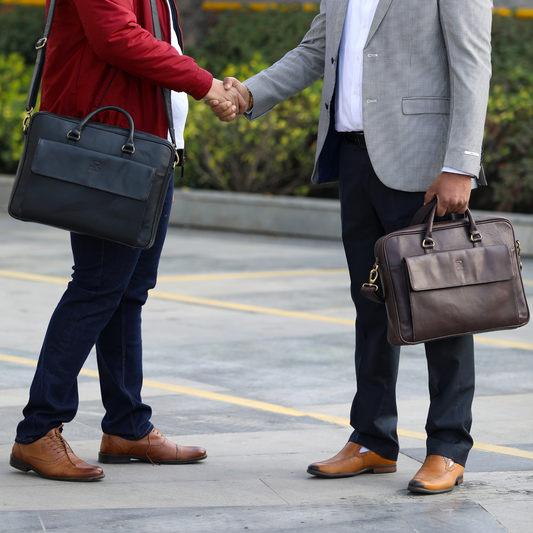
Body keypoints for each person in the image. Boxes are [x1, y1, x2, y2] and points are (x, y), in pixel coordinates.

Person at [208, 0, 492, 494]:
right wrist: (249, 93)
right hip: (356, 162)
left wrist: (461, 165)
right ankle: (373, 438)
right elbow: (317, 49)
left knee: (442, 310)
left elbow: (473, 61)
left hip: (423, 168)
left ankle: (448, 446)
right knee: (371, 307)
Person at [10, 0, 244, 482]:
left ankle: (127, 426)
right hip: (110, 152)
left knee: (127, 292)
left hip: (148, 150)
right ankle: (37, 431)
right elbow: (115, 36)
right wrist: (204, 85)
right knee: (97, 287)